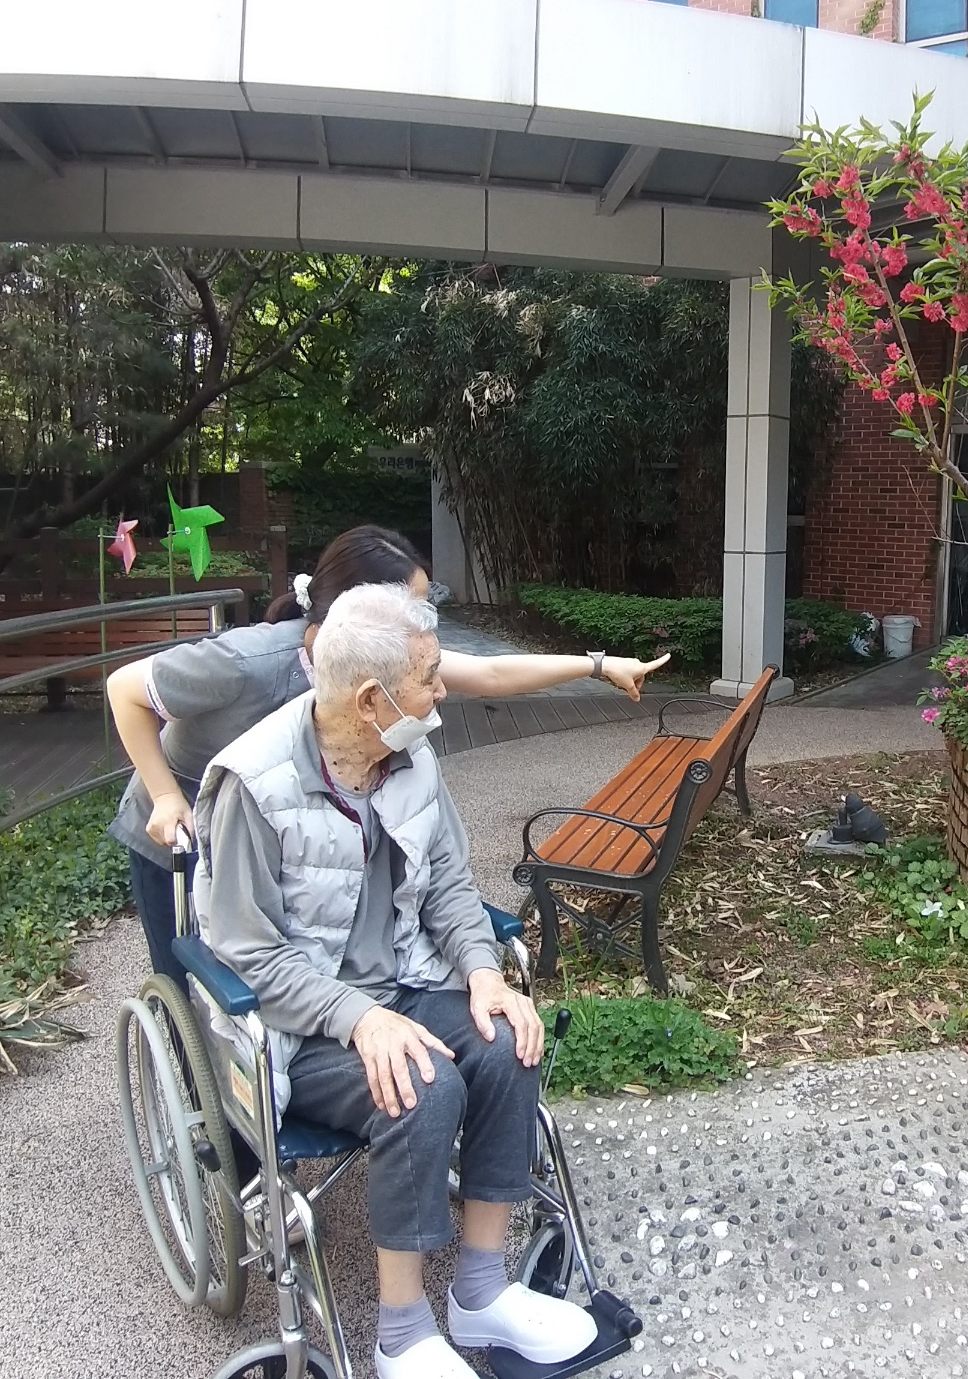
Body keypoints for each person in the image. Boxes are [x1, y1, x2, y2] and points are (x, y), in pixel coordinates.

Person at [193, 583, 597, 1379]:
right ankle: (402, 1334)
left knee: (507, 1041)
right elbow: (248, 953)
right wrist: (358, 1017)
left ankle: (480, 1290)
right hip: (300, 1025)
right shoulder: (256, 784)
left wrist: (483, 974)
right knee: (419, 1085)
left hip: (407, 981)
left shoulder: (410, 756)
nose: (442, 691)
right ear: (371, 699)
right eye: (429, 676)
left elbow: (447, 884)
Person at [107, 524, 668, 985]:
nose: (424, 624)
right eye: (411, 606)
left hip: (276, 827)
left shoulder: (388, 661)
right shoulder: (247, 663)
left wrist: (599, 665)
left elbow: (492, 673)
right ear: (362, 610)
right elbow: (125, 689)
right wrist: (164, 795)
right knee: (197, 983)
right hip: (181, 829)